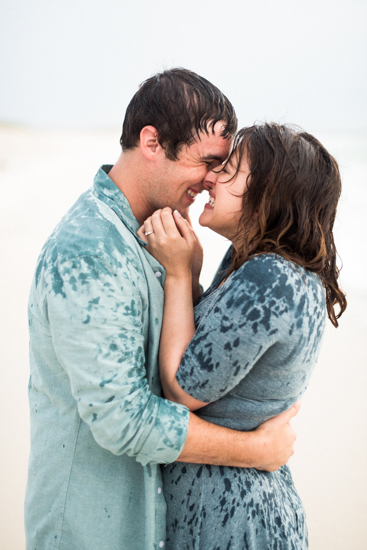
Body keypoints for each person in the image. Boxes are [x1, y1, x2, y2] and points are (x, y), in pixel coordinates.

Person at [25, 70, 300, 550]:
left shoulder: (157, 234)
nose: (215, 180)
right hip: (93, 532)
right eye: (208, 162)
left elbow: (183, 368)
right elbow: (122, 419)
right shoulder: (90, 251)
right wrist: (254, 451)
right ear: (152, 142)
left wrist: (188, 278)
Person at [140, 123, 347, 549]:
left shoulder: (269, 276)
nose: (211, 177)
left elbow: (183, 388)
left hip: (234, 518)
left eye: (230, 170)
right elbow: (212, 354)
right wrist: (195, 277)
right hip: (240, 507)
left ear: (270, 192)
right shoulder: (256, 264)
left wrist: (179, 274)